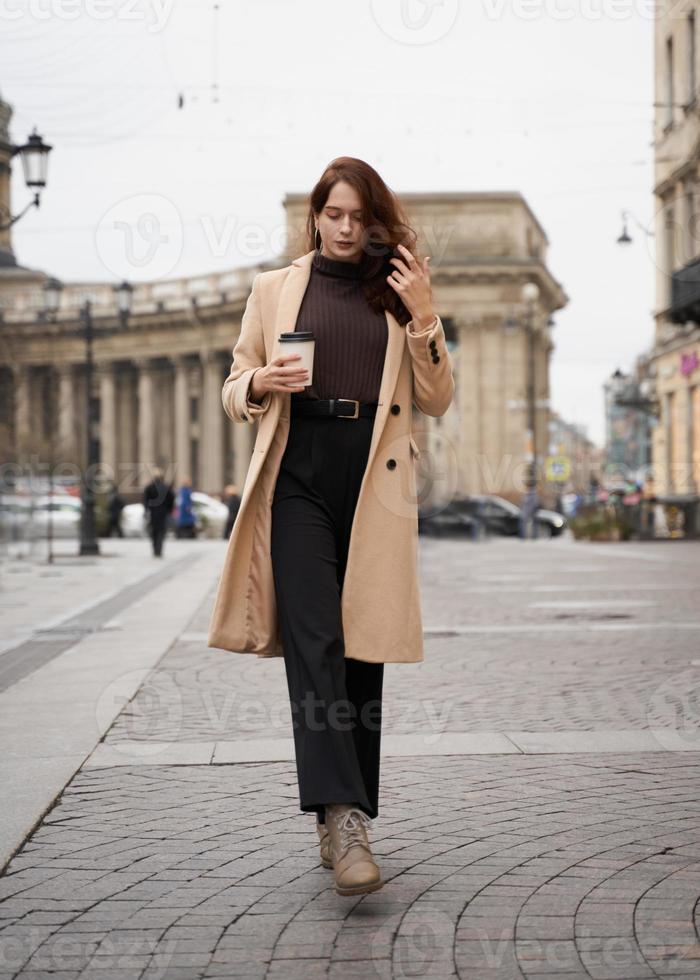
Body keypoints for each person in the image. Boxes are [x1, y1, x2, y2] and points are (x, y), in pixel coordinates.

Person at [207, 157, 455, 896]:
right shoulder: (275, 289)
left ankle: (339, 808)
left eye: (359, 219)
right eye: (334, 214)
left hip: (373, 485)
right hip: (298, 475)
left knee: (360, 650)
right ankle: (347, 822)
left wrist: (425, 313)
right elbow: (232, 385)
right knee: (314, 644)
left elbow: (438, 397)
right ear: (315, 215)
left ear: (376, 224)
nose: (346, 230)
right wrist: (259, 383)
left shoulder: (395, 295)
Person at [142, 466, 175, 557]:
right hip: (163, 513)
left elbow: (145, 501)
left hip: (153, 513)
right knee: (161, 532)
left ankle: (155, 549)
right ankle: (159, 549)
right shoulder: (166, 488)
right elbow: (171, 500)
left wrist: (146, 510)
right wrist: (169, 509)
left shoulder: (149, 488)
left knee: (154, 532)